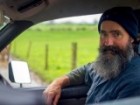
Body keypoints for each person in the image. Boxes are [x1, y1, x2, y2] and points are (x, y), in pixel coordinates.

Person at [43, 7, 140, 105]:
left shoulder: (134, 81)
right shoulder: (108, 65)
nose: (108, 42)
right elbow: (87, 69)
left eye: (116, 34)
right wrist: (58, 82)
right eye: (103, 34)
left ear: (131, 38)